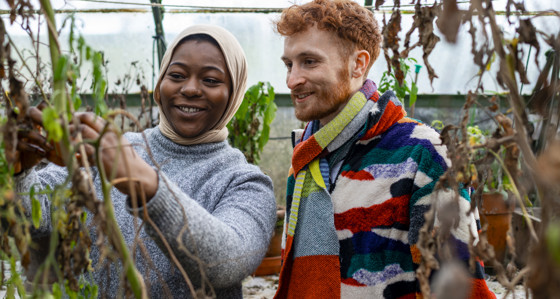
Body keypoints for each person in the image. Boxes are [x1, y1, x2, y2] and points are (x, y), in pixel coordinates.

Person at [14, 24, 276, 298]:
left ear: (234, 94)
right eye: (176, 75)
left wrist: (144, 182)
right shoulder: (109, 149)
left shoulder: (246, 182)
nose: (189, 89)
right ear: (160, 83)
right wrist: (20, 173)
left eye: (210, 80)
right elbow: (34, 217)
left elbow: (226, 265)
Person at [273, 1, 495, 298]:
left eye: (309, 62)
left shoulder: (424, 154)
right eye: (289, 64)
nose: (292, 80)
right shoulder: (306, 156)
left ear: (358, 64)